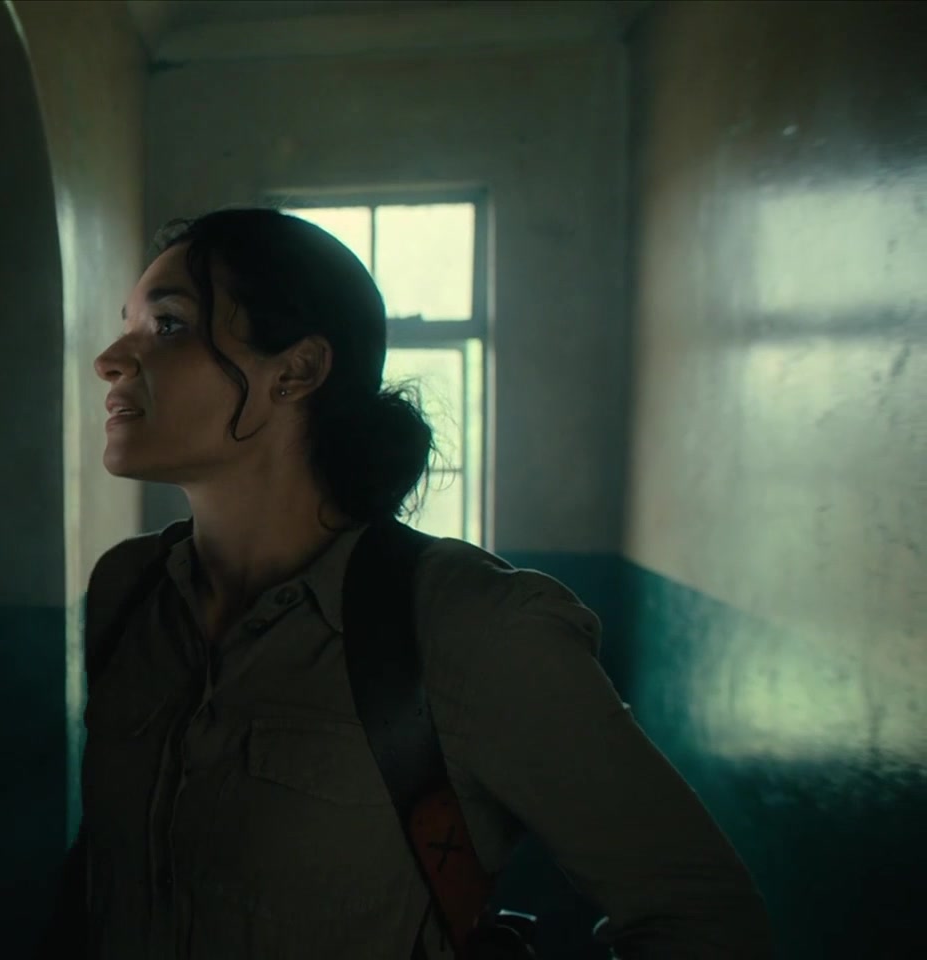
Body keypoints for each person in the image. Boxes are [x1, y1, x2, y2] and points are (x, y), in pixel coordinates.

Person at [52, 208, 771, 958]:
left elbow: (703, 920)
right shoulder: (127, 590)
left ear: (296, 371)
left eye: (167, 326)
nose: (109, 359)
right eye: (127, 326)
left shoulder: (473, 625)